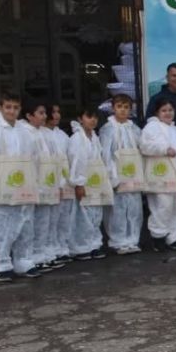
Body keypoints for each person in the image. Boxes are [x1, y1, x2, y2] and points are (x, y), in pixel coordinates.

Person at [0, 93, 40, 282]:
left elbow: (33, 158)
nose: (12, 111)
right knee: (1, 226)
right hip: (0, 187)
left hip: (22, 185)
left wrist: (32, 181)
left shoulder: (24, 132)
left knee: (25, 224)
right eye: (8, 107)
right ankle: (0, 263)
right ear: (0, 108)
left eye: (15, 107)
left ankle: (24, 260)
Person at [141, 97, 176, 251]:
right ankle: (158, 236)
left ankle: (173, 237)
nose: (168, 113)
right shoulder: (152, 127)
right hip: (161, 175)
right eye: (164, 110)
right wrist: (164, 149)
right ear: (157, 113)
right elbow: (145, 146)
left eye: (170, 110)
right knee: (162, 206)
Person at [101, 94, 144, 254]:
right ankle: (118, 240)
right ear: (113, 108)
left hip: (133, 173)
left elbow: (141, 147)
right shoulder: (108, 129)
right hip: (117, 172)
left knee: (134, 207)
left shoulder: (134, 129)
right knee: (117, 209)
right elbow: (105, 153)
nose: (123, 110)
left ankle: (133, 239)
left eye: (126, 107)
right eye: (119, 107)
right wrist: (111, 174)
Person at [66, 108, 108, 260]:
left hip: (95, 180)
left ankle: (94, 244)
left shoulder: (94, 137)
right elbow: (77, 161)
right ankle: (81, 246)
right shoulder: (77, 138)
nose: (93, 120)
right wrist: (79, 183)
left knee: (95, 215)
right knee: (83, 215)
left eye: (95, 117)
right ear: (80, 119)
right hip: (83, 181)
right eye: (89, 116)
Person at [24, 101, 59, 271]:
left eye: (45, 113)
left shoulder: (46, 134)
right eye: (40, 113)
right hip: (35, 183)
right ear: (29, 116)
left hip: (48, 182)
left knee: (47, 221)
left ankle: (45, 253)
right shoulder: (26, 134)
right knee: (34, 222)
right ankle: (33, 256)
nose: (45, 116)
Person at [45, 105, 75, 269]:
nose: (56, 115)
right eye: (53, 112)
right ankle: (49, 251)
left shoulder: (62, 135)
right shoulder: (40, 134)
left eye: (58, 112)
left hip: (64, 181)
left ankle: (62, 247)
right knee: (48, 220)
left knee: (63, 217)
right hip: (49, 182)